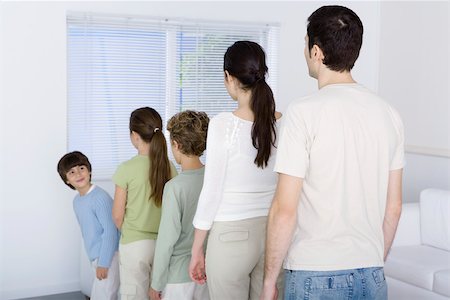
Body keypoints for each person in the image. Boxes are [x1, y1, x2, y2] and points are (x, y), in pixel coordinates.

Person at [261, 5, 405, 300]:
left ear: (316, 52)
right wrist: (372, 260)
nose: (304, 51)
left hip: (314, 274)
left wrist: (268, 281)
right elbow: (394, 208)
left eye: (305, 44)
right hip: (372, 275)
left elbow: (284, 210)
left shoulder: (302, 113)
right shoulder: (389, 114)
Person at [189, 40, 284, 300]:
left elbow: (211, 191)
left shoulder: (222, 125)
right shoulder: (284, 123)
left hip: (231, 238)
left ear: (228, 77)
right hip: (273, 236)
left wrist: (197, 248)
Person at [112, 107, 177, 300]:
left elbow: (117, 215)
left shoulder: (126, 169)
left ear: (134, 135)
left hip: (135, 245)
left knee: (135, 295)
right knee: (158, 294)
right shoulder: (169, 166)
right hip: (164, 245)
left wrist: (131, 231)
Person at [149, 110, 210, 300]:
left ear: (176, 145)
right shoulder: (214, 180)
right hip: (207, 272)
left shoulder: (174, 187)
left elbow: (167, 241)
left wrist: (155, 284)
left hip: (178, 278)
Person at [57, 151, 120, 300]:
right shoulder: (77, 201)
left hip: (109, 256)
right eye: (72, 172)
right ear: (66, 180)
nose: (78, 174)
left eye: (81, 168)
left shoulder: (100, 197)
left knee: (103, 295)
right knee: (103, 294)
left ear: (89, 170)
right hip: (96, 257)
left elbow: (110, 231)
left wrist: (104, 263)